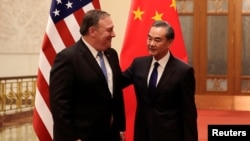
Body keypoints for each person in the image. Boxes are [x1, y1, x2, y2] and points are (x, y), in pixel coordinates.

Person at [49, 9, 126, 141]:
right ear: (92, 32)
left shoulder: (111, 54)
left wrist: (119, 128)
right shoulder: (68, 58)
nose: (114, 34)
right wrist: (72, 138)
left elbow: (115, 94)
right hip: (82, 136)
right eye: (109, 30)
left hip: (110, 135)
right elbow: (59, 104)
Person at [122, 21, 198, 141]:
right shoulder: (138, 64)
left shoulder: (183, 71)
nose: (151, 44)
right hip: (143, 133)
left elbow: (189, 113)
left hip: (169, 135)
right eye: (149, 39)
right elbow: (115, 83)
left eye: (157, 40)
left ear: (169, 43)